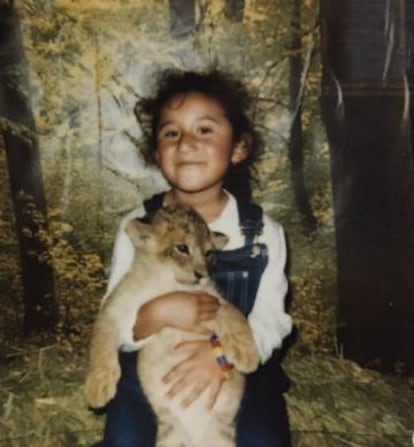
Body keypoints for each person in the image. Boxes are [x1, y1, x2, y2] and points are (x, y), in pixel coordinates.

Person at [94, 69, 293, 447]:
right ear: (156, 154)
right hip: (151, 366)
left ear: (238, 148)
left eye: (204, 130)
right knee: (124, 441)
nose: (185, 143)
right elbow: (113, 315)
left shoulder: (263, 232)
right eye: (171, 133)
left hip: (237, 370)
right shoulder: (138, 226)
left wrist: (220, 356)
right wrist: (154, 315)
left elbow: (273, 320)